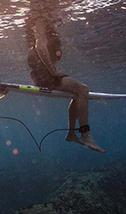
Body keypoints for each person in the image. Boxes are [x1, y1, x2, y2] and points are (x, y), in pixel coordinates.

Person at [26, 11, 104, 153]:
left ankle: (71, 134)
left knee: (77, 93)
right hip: (45, 75)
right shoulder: (40, 19)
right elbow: (40, 47)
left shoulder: (46, 22)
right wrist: (54, 72)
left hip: (45, 73)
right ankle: (85, 135)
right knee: (82, 89)